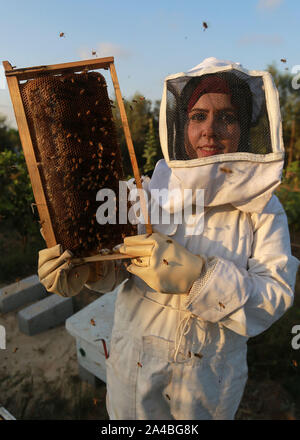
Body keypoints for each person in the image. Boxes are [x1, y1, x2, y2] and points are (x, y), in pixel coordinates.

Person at [38, 57, 299, 420]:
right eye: (198, 116)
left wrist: (201, 278)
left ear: (244, 129)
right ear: (181, 125)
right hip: (136, 370)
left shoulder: (264, 210)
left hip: (210, 382)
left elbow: (275, 296)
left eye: (226, 117)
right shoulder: (144, 193)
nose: (211, 129)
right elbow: (115, 266)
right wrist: (85, 273)